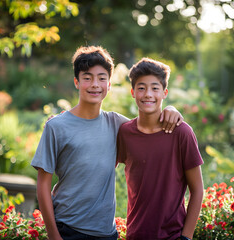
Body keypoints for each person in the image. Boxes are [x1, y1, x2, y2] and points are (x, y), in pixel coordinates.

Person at [31, 46, 183, 240]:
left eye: (102, 78)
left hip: (107, 233)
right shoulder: (56, 126)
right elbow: (42, 185)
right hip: (67, 229)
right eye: (87, 78)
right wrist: (54, 235)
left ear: (109, 85)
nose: (95, 84)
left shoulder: (117, 124)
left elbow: (147, 127)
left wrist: (171, 109)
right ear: (77, 82)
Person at [117, 58, 204, 240]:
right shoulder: (125, 133)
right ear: (133, 92)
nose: (148, 94)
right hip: (135, 235)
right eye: (141, 88)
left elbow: (197, 190)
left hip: (173, 235)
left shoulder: (181, 133)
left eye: (155, 88)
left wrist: (186, 237)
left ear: (164, 93)